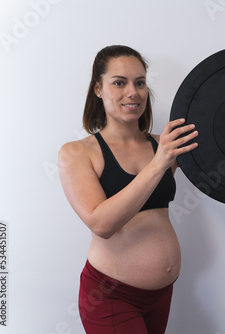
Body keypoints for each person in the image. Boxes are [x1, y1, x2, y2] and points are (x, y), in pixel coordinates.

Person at [59, 45, 198, 333]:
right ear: (98, 89)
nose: (132, 92)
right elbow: (101, 223)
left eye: (140, 82)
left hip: (161, 295)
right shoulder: (78, 153)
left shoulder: (165, 145)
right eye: (119, 82)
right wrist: (159, 163)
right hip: (111, 296)